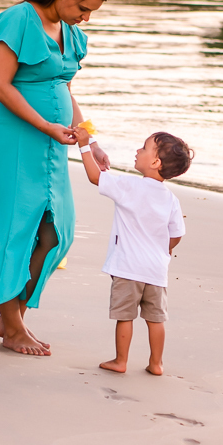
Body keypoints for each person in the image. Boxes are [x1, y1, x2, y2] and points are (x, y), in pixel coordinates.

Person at [0, 0, 111, 355]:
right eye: (82, 8)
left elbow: (65, 89)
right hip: (9, 144)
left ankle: (13, 315)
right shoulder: (18, 20)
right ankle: (12, 326)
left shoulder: (70, 33)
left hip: (50, 152)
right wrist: (46, 125)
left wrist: (90, 140)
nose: (84, 18)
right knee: (7, 231)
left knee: (55, 232)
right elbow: (0, 85)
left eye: (91, 12)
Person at [73, 125, 193, 376]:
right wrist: (164, 250)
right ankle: (156, 363)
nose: (138, 150)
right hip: (156, 270)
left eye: (144, 147)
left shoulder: (129, 186)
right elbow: (177, 234)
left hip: (128, 267)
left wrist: (84, 145)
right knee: (156, 318)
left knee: (125, 316)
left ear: (156, 162)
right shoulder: (171, 199)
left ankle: (121, 360)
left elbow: (95, 177)